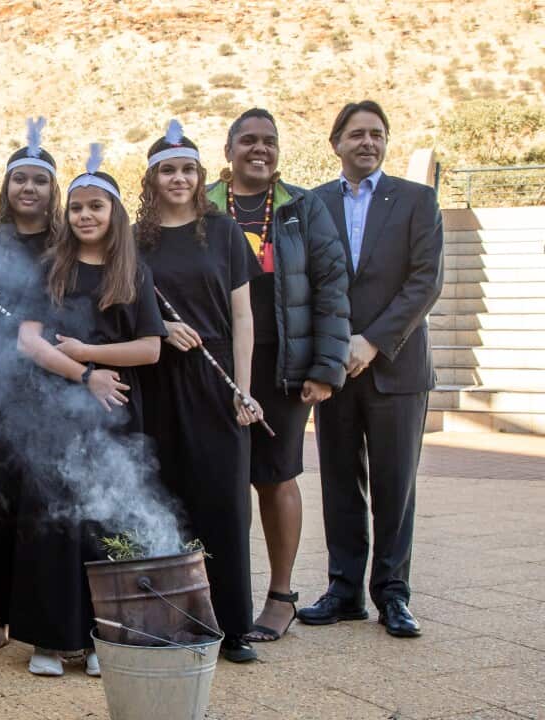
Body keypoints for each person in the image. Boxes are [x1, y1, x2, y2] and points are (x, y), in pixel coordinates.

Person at [14, 148, 165, 676]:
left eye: (96, 207)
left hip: (116, 413)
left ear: (114, 213)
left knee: (108, 521)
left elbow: (150, 349)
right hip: (54, 411)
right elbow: (29, 341)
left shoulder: (133, 272)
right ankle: (48, 641)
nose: (85, 216)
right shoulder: (50, 268)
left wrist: (91, 356)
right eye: (77, 207)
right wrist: (81, 374)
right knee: (51, 522)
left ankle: (106, 638)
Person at [297, 101, 443, 639]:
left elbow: (425, 283)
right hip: (334, 371)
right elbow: (303, 284)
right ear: (335, 143)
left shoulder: (416, 200)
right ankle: (343, 591)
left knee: (394, 485)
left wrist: (373, 342)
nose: (368, 142)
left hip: (397, 368)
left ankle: (393, 595)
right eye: (356, 134)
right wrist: (332, 352)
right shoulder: (312, 205)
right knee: (339, 482)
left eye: (376, 134)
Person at [206, 108, 351, 643]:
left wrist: (325, 367)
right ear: (229, 151)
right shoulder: (205, 207)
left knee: (276, 475)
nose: (259, 149)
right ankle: (224, 594)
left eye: (269, 140)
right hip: (220, 366)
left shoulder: (301, 207)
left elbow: (332, 288)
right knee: (222, 481)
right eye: (248, 140)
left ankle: (281, 595)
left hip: (285, 366)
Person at [134, 120, 264, 664]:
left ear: (201, 173)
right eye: (168, 169)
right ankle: (170, 622)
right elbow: (122, 306)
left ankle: (232, 626)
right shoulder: (135, 238)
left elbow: (242, 316)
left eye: (188, 169)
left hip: (215, 383)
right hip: (157, 378)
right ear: (151, 177)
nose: (179, 178)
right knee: (165, 499)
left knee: (223, 502)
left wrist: (244, 390)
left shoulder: (226, 232)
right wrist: (161, 330)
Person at [0, 117, 63, 651]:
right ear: (7, 188)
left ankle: (38, 612)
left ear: (53, 190)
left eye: (39, 180)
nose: (29, 188)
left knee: (42, 502)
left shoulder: (69, 248)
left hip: (54, 391)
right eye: (20, 179)